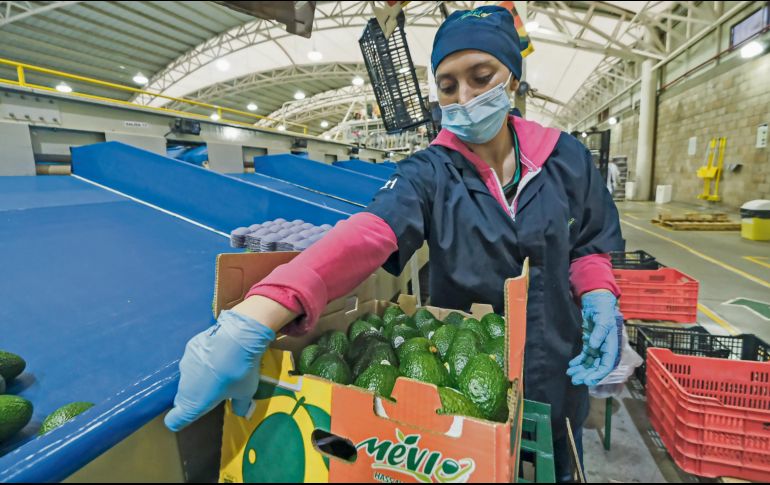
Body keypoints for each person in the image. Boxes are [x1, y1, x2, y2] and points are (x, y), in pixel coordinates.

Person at [164, 6, 624, 481]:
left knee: (556, 466)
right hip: (459, 367)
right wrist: (258, 313)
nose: (464, 97)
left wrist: (599, 296)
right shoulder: (430, 171)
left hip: (557, 358)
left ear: (512, 79)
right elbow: (370, 233)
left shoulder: (564, 156)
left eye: (481, 77)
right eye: (447, 86)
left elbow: (588, 242)